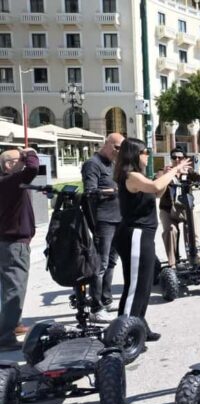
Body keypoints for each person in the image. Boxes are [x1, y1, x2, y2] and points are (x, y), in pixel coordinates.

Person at [114, 138, 191, 342]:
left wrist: (167, 174)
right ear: (134, 154)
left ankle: (139, 323)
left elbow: (157, 191)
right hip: (134, 235)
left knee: (145, 284)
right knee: (135, 286)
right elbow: (156, 185)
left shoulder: (139, 176)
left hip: (144, 235)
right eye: (144, 152)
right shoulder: (131, 176)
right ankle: (123, 334)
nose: (147, 155)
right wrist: (174, 171)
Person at [81, 133, 124, 323]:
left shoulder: (113, 164)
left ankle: (106, 300)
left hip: (117, 219)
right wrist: (113, 191)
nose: (118, 152)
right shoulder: (93, 164)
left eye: (121, 148)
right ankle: (96, 307)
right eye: (116, 147)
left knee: (112, 262)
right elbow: (90, 192)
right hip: (103, 221)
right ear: (106, 144)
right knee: (101, 264)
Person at [0, 148, 39, 351]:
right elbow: (33, 168)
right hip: (14, 244)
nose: (23, 162)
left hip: (7, 242)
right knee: (15, 290)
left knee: (8, 289)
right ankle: (5, 338)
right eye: (19, 160)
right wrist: (29, 152)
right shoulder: (10, 181)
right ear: (8, 165)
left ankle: (12, 326)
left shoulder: (8, 182)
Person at [157, 149, 200, 268]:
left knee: (192, 230)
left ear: (184, 159)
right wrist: (165, 175)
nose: (177, 160)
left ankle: (196, 258)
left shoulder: (188, 172)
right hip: (168, 209)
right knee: (171, 230)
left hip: (186, 209)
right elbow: (157, 180)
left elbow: (198, 177)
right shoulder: (165, 172)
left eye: (180, 158)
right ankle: (172, 263)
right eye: (174, 157)